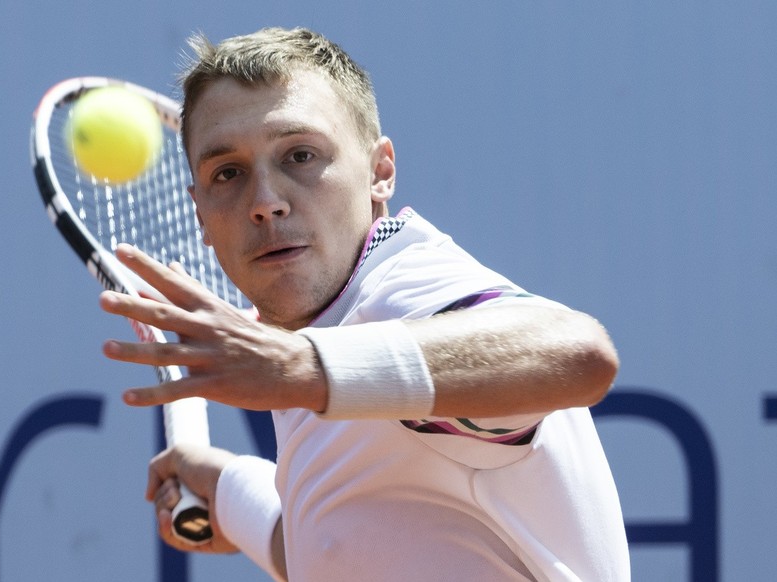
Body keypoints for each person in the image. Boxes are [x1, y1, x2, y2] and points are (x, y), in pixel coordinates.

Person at [99, 27, 630, 581]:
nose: (265, 202)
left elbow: (580, 353)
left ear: (379, 173)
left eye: (300, 155)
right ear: (201, 214)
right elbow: (348, 548)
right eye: (227, 173)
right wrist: (232, 494)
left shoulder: (404, 290)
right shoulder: (327, 331)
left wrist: (298, 367)